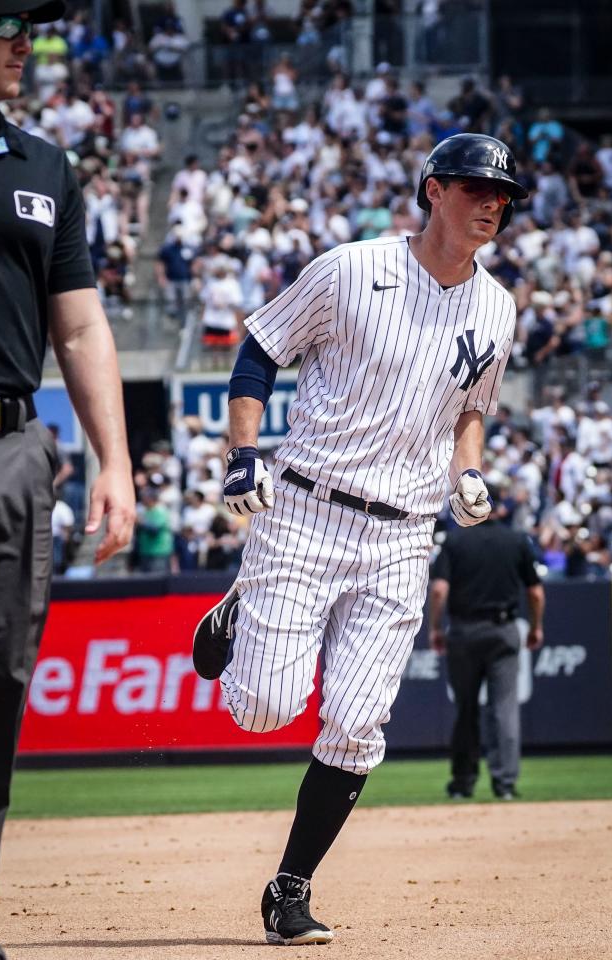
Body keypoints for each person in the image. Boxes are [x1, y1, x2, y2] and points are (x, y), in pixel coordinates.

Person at [191, 133, 528, 945]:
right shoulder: (351, 270)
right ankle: (234, 617)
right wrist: (243, 457)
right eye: (478, 187)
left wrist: (468, 471)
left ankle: (289, 890)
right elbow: (260, 349)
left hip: (405, 535)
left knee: (356, 725)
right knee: (264, 710)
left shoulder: (498, 305)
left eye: (504, 194)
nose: (493, 203)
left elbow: (471, 406)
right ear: (433, 189)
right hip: (307, 508)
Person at [0, 5, 136, 959]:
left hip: (10, 450)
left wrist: (114, 463)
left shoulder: (44, 167)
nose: (26, 43)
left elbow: (78, 329)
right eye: (7, 23)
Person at [428, 489, 545, 801]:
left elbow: (439, 590)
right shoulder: (517, 541)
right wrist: (535, 628)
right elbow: (535, 593)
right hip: (504, 628)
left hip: (464, 631)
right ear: (499, 509)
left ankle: (463, 783)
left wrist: (436, 628)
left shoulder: (454, 541)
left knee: (466, 708)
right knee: (504, 709)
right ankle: (505, 784)